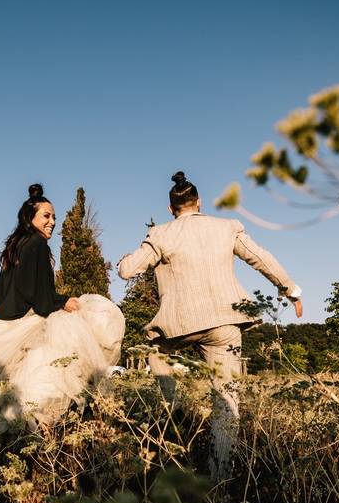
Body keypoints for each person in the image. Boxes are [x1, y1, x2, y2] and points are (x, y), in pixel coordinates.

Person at [117, 172, 302, 479]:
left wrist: (125, 259)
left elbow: (127, 270)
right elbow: (261, 258)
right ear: (199, 202)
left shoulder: (161, 233)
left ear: (170, 208)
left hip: (177, 326)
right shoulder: (227, 227)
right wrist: (290, 290)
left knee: (155, 350)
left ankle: (172, 411)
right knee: (227, 401)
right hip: (223, 322)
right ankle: (220, 479)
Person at [0, 184, 125, 444]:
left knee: (4, 398)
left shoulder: (12, 249)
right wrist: (65, 301)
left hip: (4, 330)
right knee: (42, 391)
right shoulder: (38, 246)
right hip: (27, 326)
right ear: (30, 218)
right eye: (47, 216)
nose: (53, 222)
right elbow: (44, 302)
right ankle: (44, 452)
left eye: (54, 217)